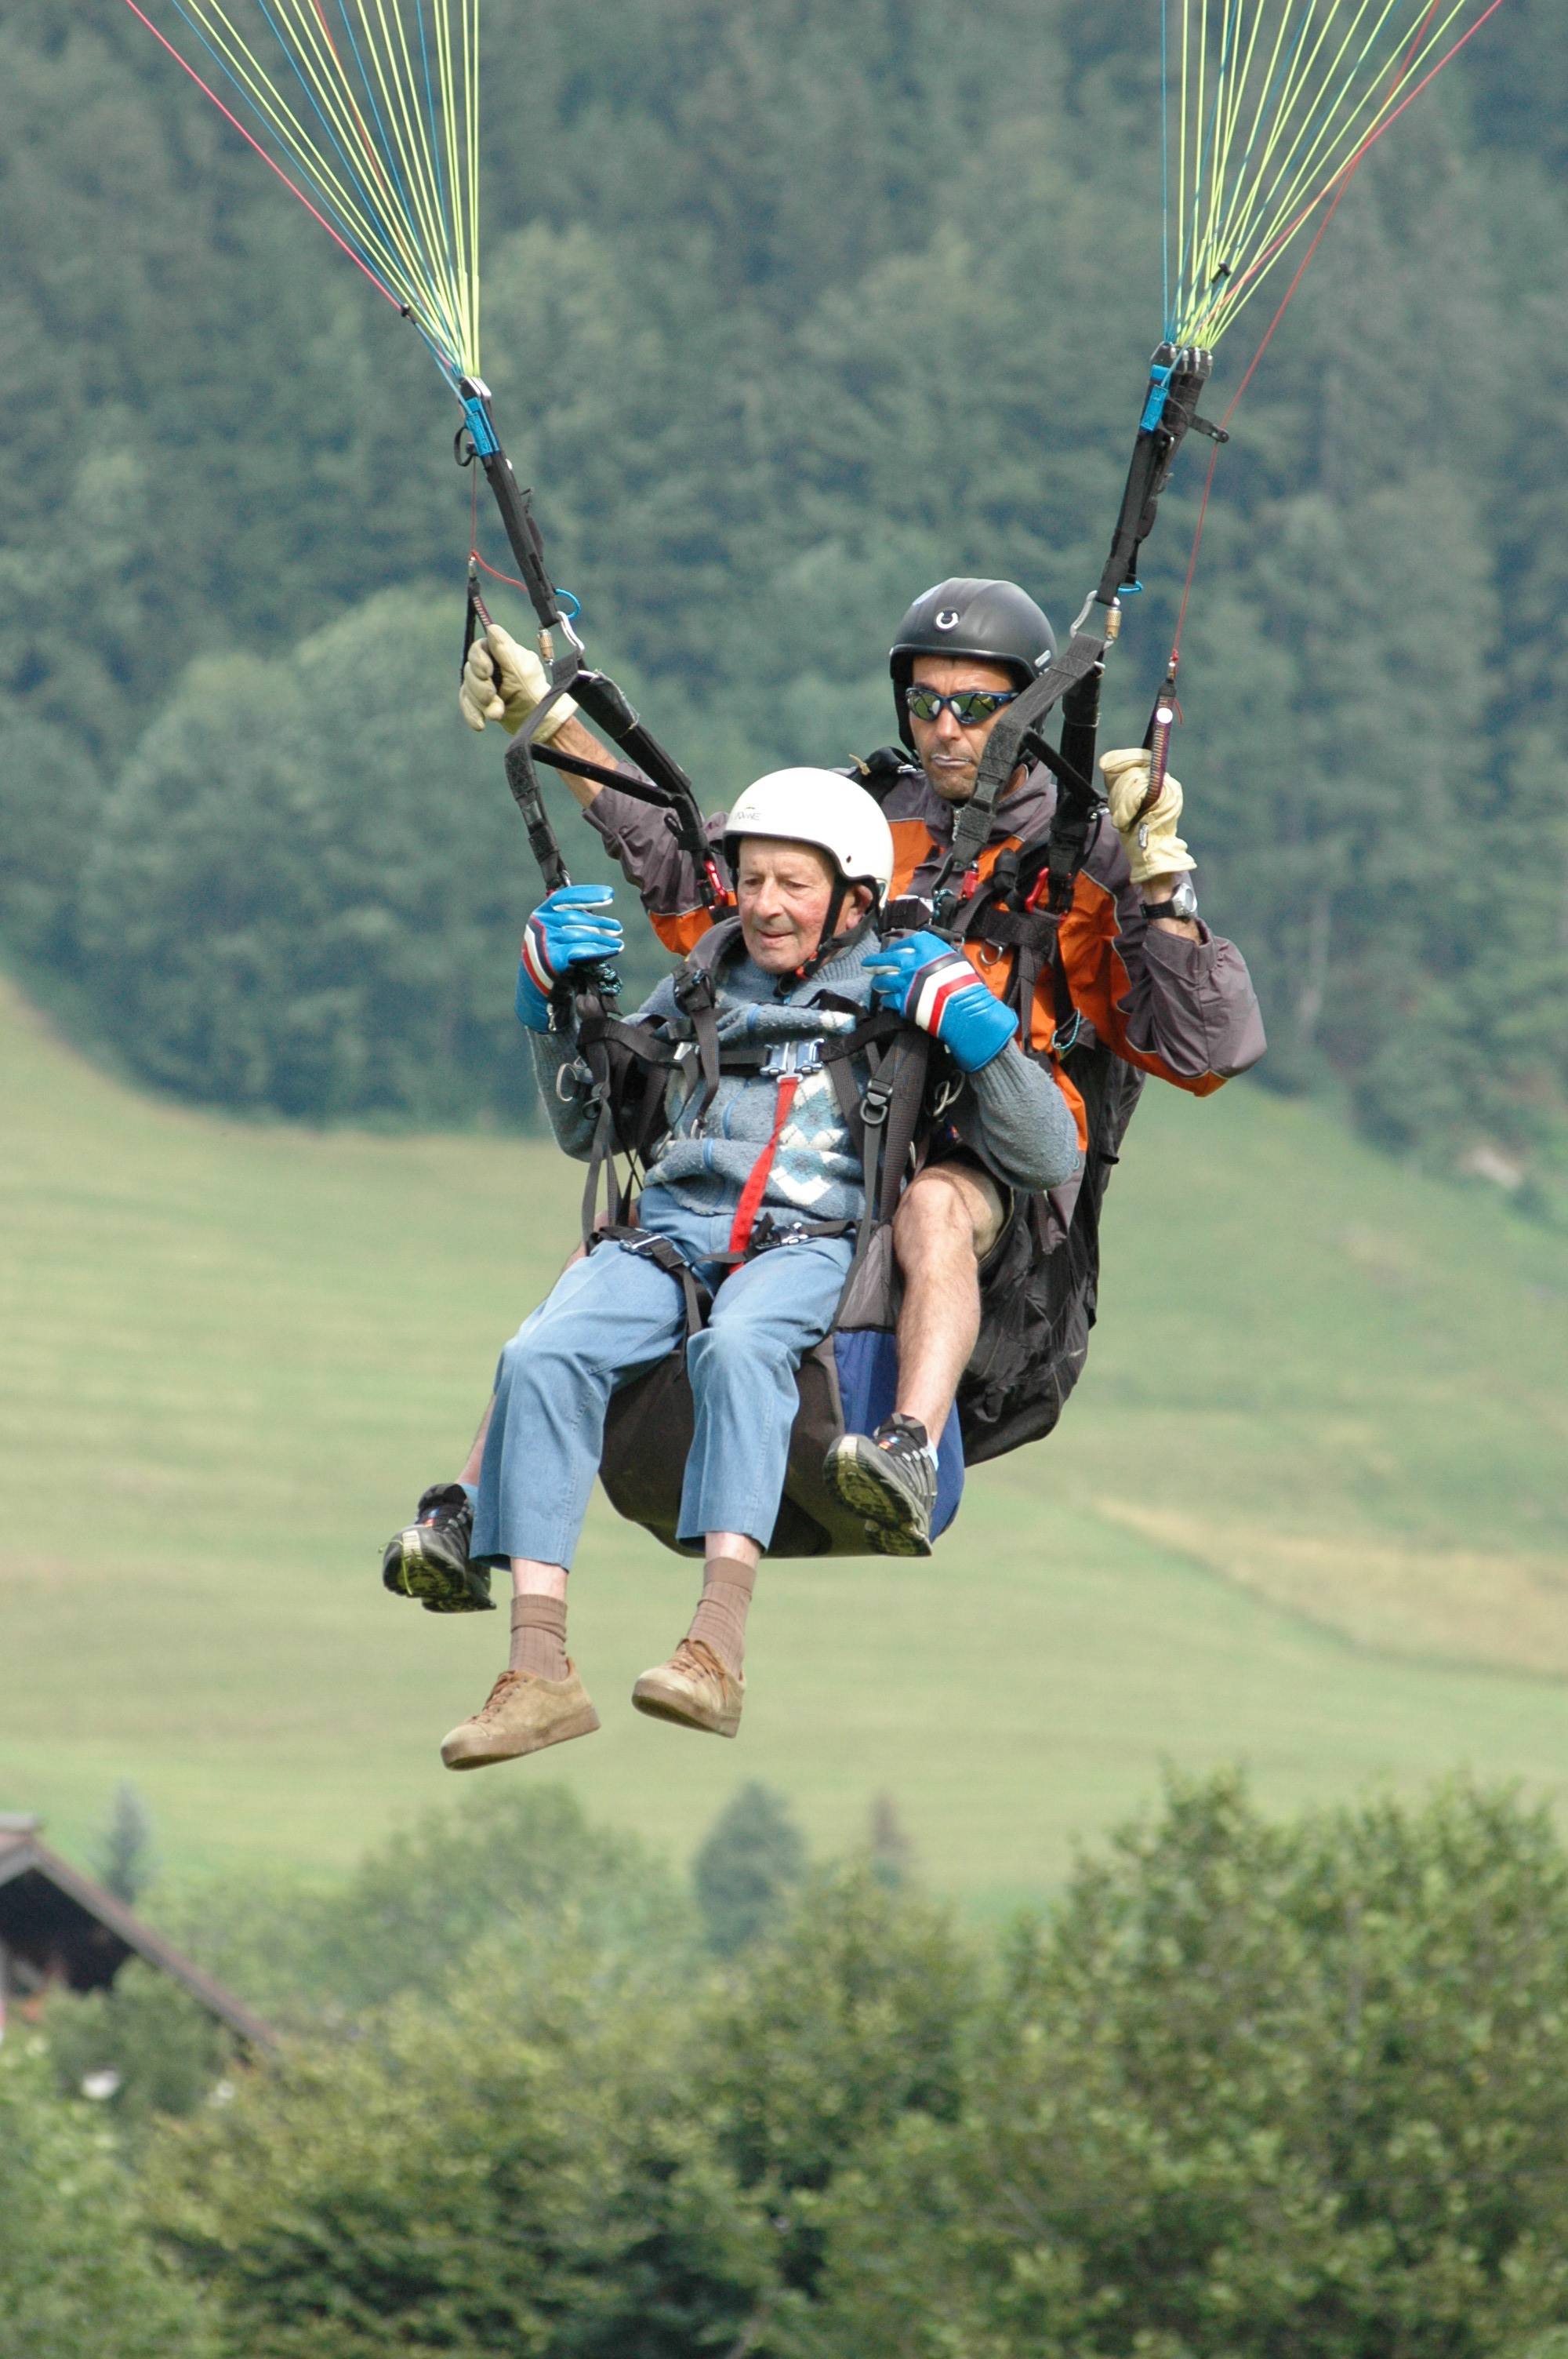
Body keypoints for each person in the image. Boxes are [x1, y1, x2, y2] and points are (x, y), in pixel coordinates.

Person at [390, 577, 1261, 1572]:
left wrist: (1159, 878)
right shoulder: (862, 818)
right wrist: (550, 716)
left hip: (1000, 1160)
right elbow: (707, 880)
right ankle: (466, 1505)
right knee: (630, 1243)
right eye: (923, 702)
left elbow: (1204, 1047)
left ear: (1023, 705)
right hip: (838, 1138)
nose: (943, 728)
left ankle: (907, 1450)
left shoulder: (1088, 848)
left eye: (973, 707)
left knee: (933, 1205)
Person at [427, 768, 1080, 1770]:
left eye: (793, 884)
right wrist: (546, 1012)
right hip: (673, 1231)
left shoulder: (903, 983)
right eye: (752, 880)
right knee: (538, 1355)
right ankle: (537, 1667)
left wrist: (979, 1033)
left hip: (810, 1239)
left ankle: (716, 1648)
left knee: (738, 1349)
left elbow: (1045, 1158)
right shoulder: (699, 980)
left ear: (853, 897)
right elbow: (586, 1129)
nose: (766, 905)